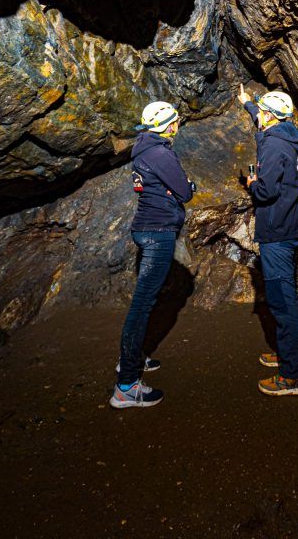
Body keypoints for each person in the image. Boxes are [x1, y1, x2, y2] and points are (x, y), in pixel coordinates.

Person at [110, 101, 195, 409]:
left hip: (145, 226)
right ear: (168, 125)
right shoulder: (161, 153)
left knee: (144, 302)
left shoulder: (144, 148)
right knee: (142, 305)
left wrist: (174, 189)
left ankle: (130, 360)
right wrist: (183, 188)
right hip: (158, 232)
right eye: (175, 121)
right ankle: (126, 386)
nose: (178, 125)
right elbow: (185, 191)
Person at [238, 83, 298, 396]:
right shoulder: (286, 135)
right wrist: (248, 103)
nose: (259, 115)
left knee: (282, 301)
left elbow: (266, 191)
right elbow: (263, 118)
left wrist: (253, 182)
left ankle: (293, 376)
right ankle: (284, 353)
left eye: (261, 112)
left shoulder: (273, 146)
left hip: (277, 229)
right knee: (283, 295)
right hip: (289, 223)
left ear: (270, 117)